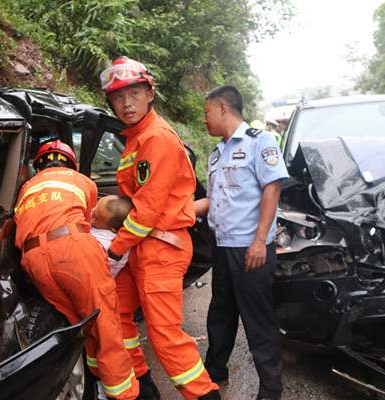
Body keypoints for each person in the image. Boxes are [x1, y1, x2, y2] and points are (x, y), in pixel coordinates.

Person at [100, 56, 220, 400]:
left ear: (149, 93)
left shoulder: (157, 139)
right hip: (141, 247)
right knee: (118, 315)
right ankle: (142, 383)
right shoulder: (135, 138)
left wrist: (114, 249)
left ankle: (204, 394)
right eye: (118, 97)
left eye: (134, 93)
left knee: (164, 334)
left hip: (160, 248)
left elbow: (148, 209)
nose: (126, 103)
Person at [13, 140, 139, 400]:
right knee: (104, 325)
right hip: (72, 248)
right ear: (71, 163)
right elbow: (93, 218)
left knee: (79, 323)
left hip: (32, 259)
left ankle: (96, 384)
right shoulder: (84, 182)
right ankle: (122, 395)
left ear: (38, 166)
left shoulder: (26, 188)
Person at [195, 85, 289, 400]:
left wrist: (260, 240)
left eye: (207, 112)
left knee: (257, 317)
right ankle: (215, 369)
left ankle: (271, 388)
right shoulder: (217, 153)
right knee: (220, 311)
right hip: (222, 246)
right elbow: (212, 199)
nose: (204, 119)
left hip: (251, 247)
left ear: (222, 107)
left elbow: (272, 190)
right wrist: (177, 210)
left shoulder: (259, 142)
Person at [91, 194, 133, 277]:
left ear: (112, 229)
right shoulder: (103, 227)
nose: (91, 211)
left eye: (95, 217)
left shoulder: (105, 245)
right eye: (96, 205)